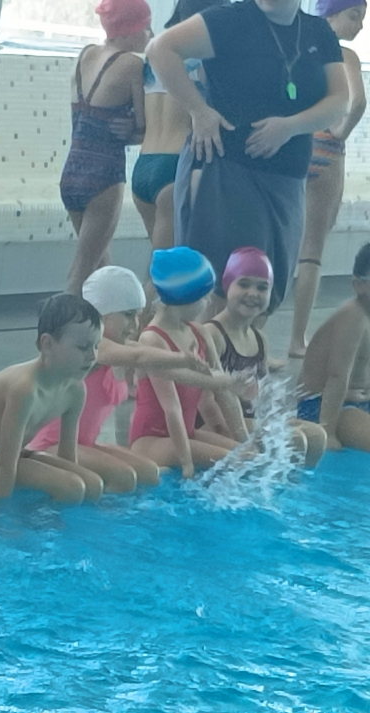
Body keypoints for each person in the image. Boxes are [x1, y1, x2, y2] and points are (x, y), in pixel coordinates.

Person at [150, 0, 347, 317]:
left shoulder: (317, 31)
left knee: (267, 291)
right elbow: (161, 49)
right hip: (228, 168)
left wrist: (290, 127)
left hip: (287, 178)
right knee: (227, 287)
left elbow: (339, 100)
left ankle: (241, 349)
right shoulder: (230, 20)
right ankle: (204, 347)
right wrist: (199, 111)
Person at [27, 266, 242, 492]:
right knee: (124, 477)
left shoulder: (123, 348)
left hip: (83, 443)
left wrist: (227, 382)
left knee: (149, 473)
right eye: (128, 315)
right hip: (52, 445)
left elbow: (172, 373)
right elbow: (139, 356)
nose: (136, 324)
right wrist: (182, 357)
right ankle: (105, 514)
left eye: (138, 315)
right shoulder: (95, 347)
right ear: (102, 314)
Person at [0, 293, 105, 502]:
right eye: (83, 347)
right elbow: (6, 465)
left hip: (13, 454)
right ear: (47, 344)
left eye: (96, 346)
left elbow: (68, 456)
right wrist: (1, 515)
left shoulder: (75, 390)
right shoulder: (25, 389)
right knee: (72, 487)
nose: (93, 356)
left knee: (93, 484)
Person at [289, 0, 367, 359]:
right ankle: (296, 340)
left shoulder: (296, 46)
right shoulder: (343, 54)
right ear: (331, 13)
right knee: (312, 250)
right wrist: (339, 133)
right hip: (325, 148)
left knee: (280, 242)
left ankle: (253, 331)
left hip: (294, 145)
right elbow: (358, 102)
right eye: (355, 16)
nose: (360, 27)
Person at [205, 246, 327, 466]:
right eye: (244, 284)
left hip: (249, 419)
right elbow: (206, 401)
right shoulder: (213, 334)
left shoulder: (259, 339)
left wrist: (275, 418)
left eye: (262, 287)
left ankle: (294, 486)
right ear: (227, 285)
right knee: (294, 440)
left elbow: (262, 397)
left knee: (317, 436)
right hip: (215, 422)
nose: (253, 293)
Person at [130, 247, 246, 477]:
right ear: (183, 297)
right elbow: (171, 408)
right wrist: (186, 463)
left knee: (250, 458)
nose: (209, 302)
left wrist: (244, 439)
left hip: (186, 433)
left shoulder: (200, 333)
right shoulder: (152, 340)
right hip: (151, 441)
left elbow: (223, 391)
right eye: (204, 297)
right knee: (238, 463)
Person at [61, 0, 149, 294]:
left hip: (71, 174)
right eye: (146, 27)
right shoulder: (133, 65)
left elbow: (86, 119)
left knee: (101, 268)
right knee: (81, 273)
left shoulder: (85, 55)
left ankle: (104, 320)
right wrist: (133, 131)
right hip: (104, 177)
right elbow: (145, 128)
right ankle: (57, 321)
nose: (150, 34)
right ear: (130, 30)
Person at [131, 0, 224, 253]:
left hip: (143, 166)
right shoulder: (204, 58)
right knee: (166, 268)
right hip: (174, 168)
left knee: (160, 262)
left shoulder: (155, 57)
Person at [297, 243, 370, 453]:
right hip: (323, 409)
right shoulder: (354, 316)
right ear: (359, 285)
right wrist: (327, 432)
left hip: (355, 403)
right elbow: (337, 375)